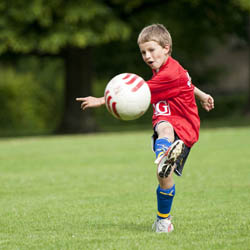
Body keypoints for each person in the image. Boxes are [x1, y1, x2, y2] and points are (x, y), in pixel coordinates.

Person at [76, 24, 214, 234]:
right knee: (163, 174)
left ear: (166, 48)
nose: (147, 56)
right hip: (169, 116)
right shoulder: (170, 68)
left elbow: (136, 92)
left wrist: (100, 100)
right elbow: (188, 82)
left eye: (151, 50)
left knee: (165, 128)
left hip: (183, 124)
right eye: (143, 52)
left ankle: (163, 154)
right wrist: (203, 95)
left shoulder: (169, 74)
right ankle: (163, 221)